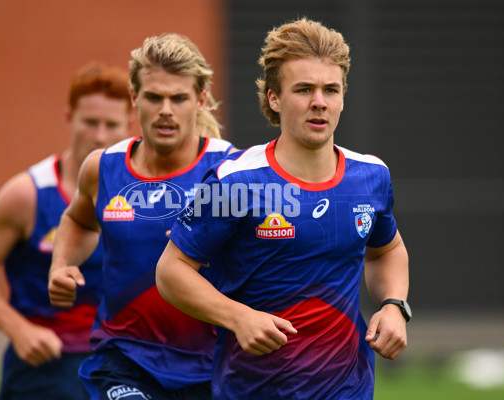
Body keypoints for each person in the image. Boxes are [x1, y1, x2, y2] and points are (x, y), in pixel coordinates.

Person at [156, 17, 410, 399]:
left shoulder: (371, 175)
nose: (319, 102)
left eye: (331, 89)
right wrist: (238, 317)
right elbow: (171, 271)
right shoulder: (234, 181)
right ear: (274, 98)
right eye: (303, 89)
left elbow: (386, 250)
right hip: (252, 387)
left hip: (349, 387)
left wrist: (394, 306)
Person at [48, 33, 236, 400]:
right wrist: (61, 265)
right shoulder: (102, 167)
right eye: (154, 97)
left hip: (213, 364)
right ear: (134, 98)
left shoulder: (231, 170)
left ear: (199, 101)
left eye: (178, 98)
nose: (166, 109)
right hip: (125, 356)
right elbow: (79, 220)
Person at [0, 61, 136, 400]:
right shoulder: (29, 194)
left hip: (120, 361)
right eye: (90, 122)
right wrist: (19, 330)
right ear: (69, 118)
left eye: (111, 124)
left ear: (129, 125)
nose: (99, 135)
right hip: (45, 366)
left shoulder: (143, 194)